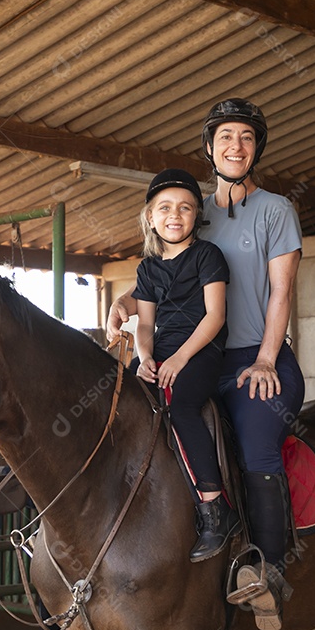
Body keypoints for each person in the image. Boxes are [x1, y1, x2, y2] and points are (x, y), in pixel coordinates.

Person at [109, 99, 303, 630]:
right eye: (225, 137)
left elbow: (282, 293)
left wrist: (267, 358)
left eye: (245, 137)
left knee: (260, 446)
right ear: (210, 148)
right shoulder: (193, 207)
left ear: (256, 148)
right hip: (193, 357)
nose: (235, 146)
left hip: (252, 358)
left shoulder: (277, 211)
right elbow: (164, 277)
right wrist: (125, 303)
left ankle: (268, 572)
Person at [131, 168, 241, 563]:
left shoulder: (207, 256)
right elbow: (145, 323)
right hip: (159, 351)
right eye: (164, 208)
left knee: (180, 407)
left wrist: (179, 358)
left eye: (185, 208)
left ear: (197, 215)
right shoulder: (147, 268)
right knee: (122, 398)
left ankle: (215, 507)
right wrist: (145, 359)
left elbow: (215, 316)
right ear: (150, 216)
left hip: (202, 351)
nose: (174, 215)